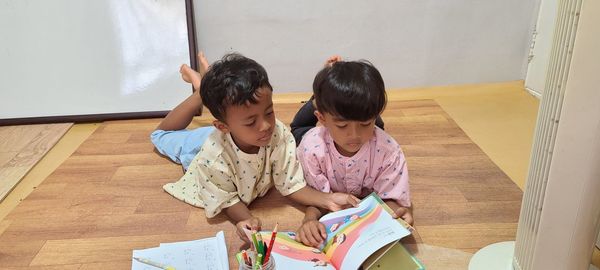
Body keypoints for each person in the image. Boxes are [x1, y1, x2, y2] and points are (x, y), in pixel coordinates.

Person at [151, 52, 358, 243]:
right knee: (160, 135)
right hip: (202, 148)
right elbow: (224, 196)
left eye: (269, 112)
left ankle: (204, 87)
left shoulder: (277, 132)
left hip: (235, 136)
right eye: (251, 122)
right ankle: (200, 92)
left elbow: (290, 182)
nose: (266, 125)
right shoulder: (212, 157)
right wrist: (246, 218)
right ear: (223, 126)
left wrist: (328, 199)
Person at [292, 56, 413, 247]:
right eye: (342, 125)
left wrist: (398, 211)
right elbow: (319, 198)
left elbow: (391, 199)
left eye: (366, 124)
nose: (354, 135)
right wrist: (309, 220)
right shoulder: (311, 148)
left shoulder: (389, 152)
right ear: (321, 118)